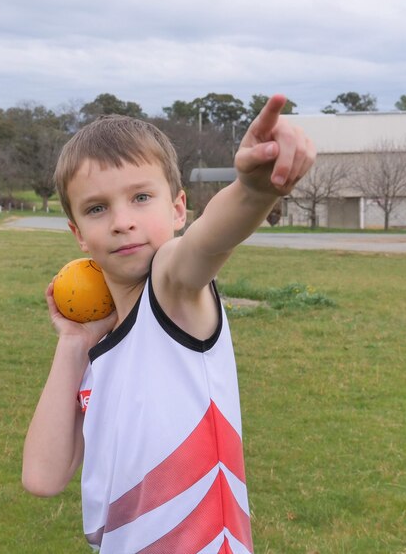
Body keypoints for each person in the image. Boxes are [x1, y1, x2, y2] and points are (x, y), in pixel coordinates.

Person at [22, 95, 315, 553]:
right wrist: (74, 344)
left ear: (178, 209)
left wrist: (254, 191)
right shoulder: (106, 345)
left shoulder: (172, 292)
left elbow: (204, 244)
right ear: (77, 233)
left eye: (141, 198)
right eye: (97, 209)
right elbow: (43, 477)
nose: (122, 222)